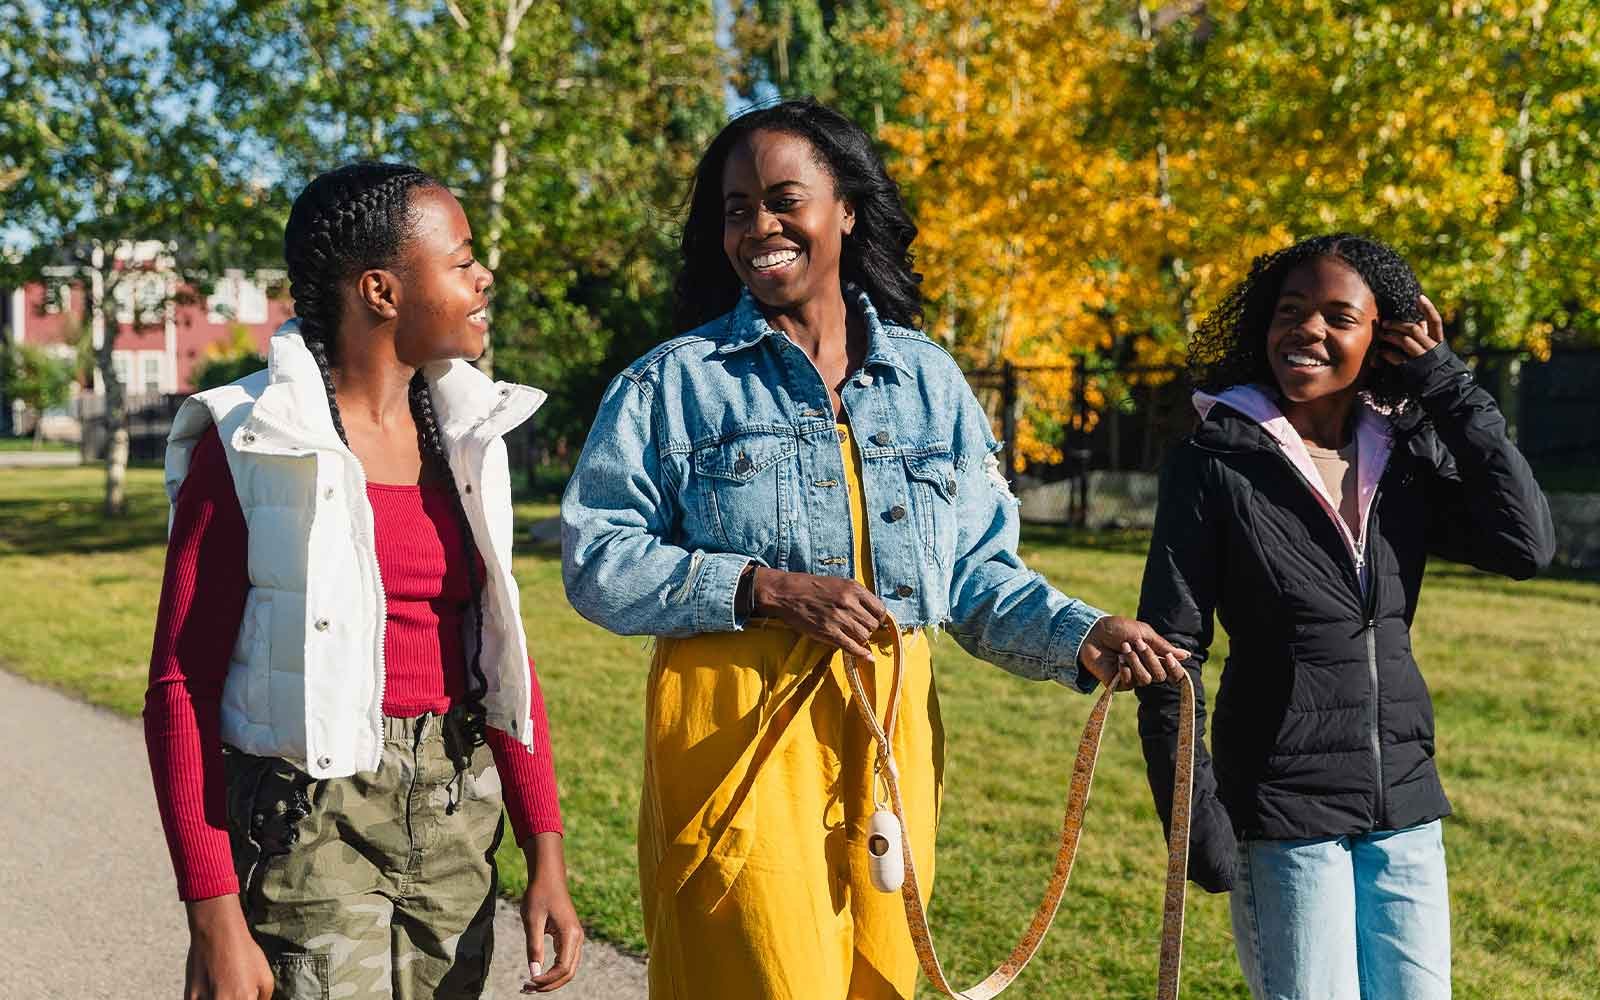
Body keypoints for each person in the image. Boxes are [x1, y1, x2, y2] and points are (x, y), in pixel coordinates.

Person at [560, 98, 1186, 1000]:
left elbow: (974, 574)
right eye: (737, 210)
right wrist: (762, 589)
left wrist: (1084, 635)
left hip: (892, 725)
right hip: (738, 731)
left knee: (881, 976)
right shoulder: (673, 385)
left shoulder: (929, 380)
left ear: (846, 207)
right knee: (757, 976)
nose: (759, 228)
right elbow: (595, 560)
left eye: (784, 200)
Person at [144, 162, 584, 999]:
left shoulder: (466, 439)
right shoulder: (249, 444)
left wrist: (545, 851)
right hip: (311, 826)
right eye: (460, 260)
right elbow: (179, 684)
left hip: (457, 814)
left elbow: (504, 661)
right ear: (381, 290)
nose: (484, 274)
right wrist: (214, 915)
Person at [1133, 234, 1555, 999]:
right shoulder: (1217, 460)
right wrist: (1193, 818)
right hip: (1286, 812)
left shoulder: (1405, 457)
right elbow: (1173, 648)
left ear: (1380, 337)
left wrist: (1446, 384)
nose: (1308, 330)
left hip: (1406, 802)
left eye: (1338, 316)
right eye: (1291, 311)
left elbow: (1525, 544)